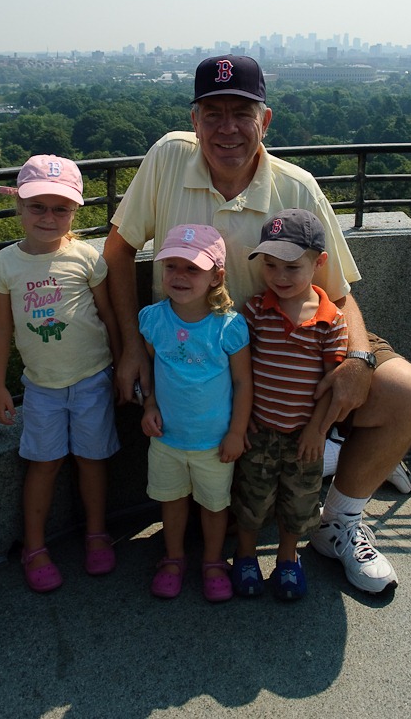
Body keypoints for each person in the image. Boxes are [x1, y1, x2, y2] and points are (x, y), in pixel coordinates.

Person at [104, 53, 411, 594]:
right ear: (194, 119)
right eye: (213, 113)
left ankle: (340, 519)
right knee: (227, 524)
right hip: (202, 351)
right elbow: (117, 253)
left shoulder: (296, 186)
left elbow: (341, 293)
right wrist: (131, 349)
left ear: (266, 120)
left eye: (242, 112)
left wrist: (358, 358)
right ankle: (332, 454)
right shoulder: (166, 159)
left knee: (406, 394)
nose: (226, 128)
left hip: (293, 340)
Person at [0, 154, 122, 593]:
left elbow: (108, 316)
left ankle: (97, 533)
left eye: (60, 208)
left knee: (92, 460)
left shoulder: (86, 257)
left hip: (92, 379)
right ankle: (35, 546)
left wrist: (122, 367)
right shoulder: (5, 264)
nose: (48, 217)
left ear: (74, 211)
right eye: (37, 206)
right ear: (19, 209)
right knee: (43, 465)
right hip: (41, 387)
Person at [231, 208, 347, 601]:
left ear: (319, 263)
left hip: (304, 437)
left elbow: (333, 384)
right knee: (251, 500)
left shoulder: (331, 319)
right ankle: (245, 556)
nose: (279, 277)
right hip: (259, 430)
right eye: (270, 265)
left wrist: (319, 430)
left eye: (292, 267)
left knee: (298, 505)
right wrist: (241, 421)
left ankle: (287, 558)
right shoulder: (254, 310)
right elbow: (240, 374)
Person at [139, 223, 253, 602]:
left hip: (214, 442)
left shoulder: (228, 327)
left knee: (215, 505)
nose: (179, 276)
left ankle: (212, 561)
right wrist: (149, 404)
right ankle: (173, 558)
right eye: (171, 266)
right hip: (167, 437)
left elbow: (242, 383)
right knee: (170, 502)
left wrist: (237, 432)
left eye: (192, 268)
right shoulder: (153, 319)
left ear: (216, 275)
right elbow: (151, 371)